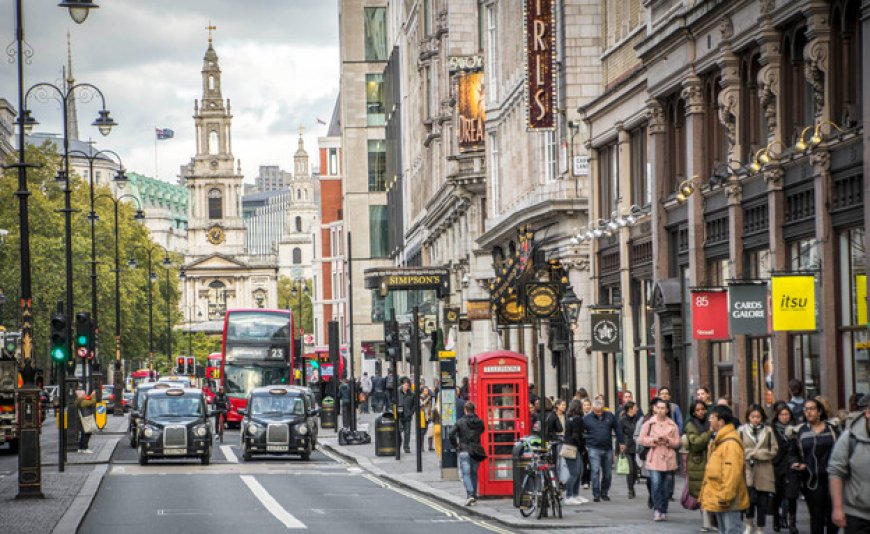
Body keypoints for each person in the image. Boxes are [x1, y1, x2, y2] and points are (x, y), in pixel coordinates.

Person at [791, 397, 840, 534]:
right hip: (811, 479)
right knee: (816, 516)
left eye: (812, 409)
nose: (809, 412)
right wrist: (796, 463)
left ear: (819, 411)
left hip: (832, 478)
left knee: (832, 516)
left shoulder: (832, 430)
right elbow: (793, 452)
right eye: (806, 409)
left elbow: (842, 451)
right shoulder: (801, 432)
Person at [699, 405, 750, 534]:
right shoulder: (720, 439)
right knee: (724, 530)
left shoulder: (730, 443)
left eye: (712, 417)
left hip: (727, 498)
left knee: (731, 530)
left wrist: (725, 496)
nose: (710, 420)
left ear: (721, 421)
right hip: (720, 495)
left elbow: (732, 473)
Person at [829, 394, 870, 533]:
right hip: (857, 514)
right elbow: (835, 471)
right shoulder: (850, 437)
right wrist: (838, 508)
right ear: (868, 413)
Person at [738, 404, 778, 534]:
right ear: (748, 417)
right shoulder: (741, 430)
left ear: (762, 417)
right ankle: (749, 524)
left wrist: (758, 454)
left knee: (763, 501)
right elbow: (737, 450)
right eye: (752, 416)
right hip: (748, 469)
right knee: (749, 499)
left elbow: (774, 450)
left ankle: (760, 527)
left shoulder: (768, 430)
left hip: (764, 470)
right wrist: (749, 453)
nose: (755, 419)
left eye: (758, 417)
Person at [638, 398, 681, 522]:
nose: (661, 410)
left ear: (667, 410)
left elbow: (677, 442)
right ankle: (657, 509)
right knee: (656, 484)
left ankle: (664, 509)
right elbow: (641, 439)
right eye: (659, 408)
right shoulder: (649, 423)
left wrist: (669, 441)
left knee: (666, 486)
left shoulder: (673, 424)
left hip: (668, 459)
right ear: (655, 408)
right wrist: (653, 440)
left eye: (663, 408)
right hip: (654, 457)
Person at [583, 398, 625, 502]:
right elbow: (582, 432)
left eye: (600, 410)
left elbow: (617, 429)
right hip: (593, 448)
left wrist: (622, 442)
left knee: (607, 473)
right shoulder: (587, 418)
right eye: (596, 410)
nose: (598, 412)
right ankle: (596, 494)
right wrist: (586, 442)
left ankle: (604, 492)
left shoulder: (609, 415)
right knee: (595, 471)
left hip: (607, 448)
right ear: (593, 409)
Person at [770, 401, 801, 533]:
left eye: (787, 414)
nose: (784, 417)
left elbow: (799, 448)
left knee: (792, 496)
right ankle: (776, 519)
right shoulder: (772, 429)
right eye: (782, 414)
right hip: (778, 466)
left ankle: (792, 522)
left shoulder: (796, 429)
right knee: (777, 496)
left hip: (792, 466)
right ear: (777, 416)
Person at [684, 400, 714, 531]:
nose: (701, 412)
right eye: (698, 410)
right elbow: (696, 443)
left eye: (703, 409)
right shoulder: (690, 425)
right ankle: (707, 522)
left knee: (711, 492)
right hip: (698, 462)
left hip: (712, 460)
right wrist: (709, 433)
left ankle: (711, 522)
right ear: (693, 412)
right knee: (702, 493)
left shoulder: (711, 422)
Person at [449, 401, 485, 506]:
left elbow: (451, 434)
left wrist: (456, 445)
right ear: (474, 410)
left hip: (464, 450)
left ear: (465, 410)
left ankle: (470, 495)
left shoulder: (460, 422)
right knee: (474, 473)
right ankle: (474, 495)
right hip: (476, 450)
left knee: (466, 474)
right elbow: (482, 430)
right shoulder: (480, 422)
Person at [563, 399, 588, 505]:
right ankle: (569, 496)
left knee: (579, 471)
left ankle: (575, 494)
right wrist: (582, 447)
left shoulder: (569, 418)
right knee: (575, 473)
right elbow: (577, 435)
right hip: (573, 448)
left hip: (569, 446)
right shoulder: (578, 419)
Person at [618, 401, 641, 499]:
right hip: (627, 447)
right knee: (630, 470)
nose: (637, 409)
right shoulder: (622, 420)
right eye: (635, 407)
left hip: (637, 447)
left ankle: (632, 485)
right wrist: (620, 446)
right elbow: (619, 434)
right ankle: (630, 490)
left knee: (635, 471)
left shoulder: (638, 419)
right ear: (630, 409)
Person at [397, 378, 416, 453]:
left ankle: (406, 447)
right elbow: (392, 402)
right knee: (399, 431)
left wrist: (411, 412)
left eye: (407, 385)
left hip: (408, 416)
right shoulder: (397, 392)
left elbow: (414, 405)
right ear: (402, 385)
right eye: (405, 385)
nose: (406, 387)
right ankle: (399, 445)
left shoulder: (411, 394)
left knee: (407, 433)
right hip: (399, 416)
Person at [74, 389, 97, 453]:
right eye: (84, 394)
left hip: (81, 419)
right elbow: (93, 402)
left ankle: (80, 448)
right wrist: (93, 395)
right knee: (87, 433)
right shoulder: (83, 402)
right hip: (86, 419)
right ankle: (85, 448)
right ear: (81, 396)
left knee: (83, 433)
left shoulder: (78, 401)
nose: (85, 395)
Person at [420, 386, 434, 451]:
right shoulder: (420, 397)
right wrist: (428, 399)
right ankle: (421, 447)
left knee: (430, 431)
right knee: (423, 431)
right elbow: (422, 404)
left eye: (427, 391)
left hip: (429, 416)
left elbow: (432, 405)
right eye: (425, 391)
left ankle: (430, 446)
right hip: (423, 416)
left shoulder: (430, 397)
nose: (427, 392)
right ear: (422, 391)